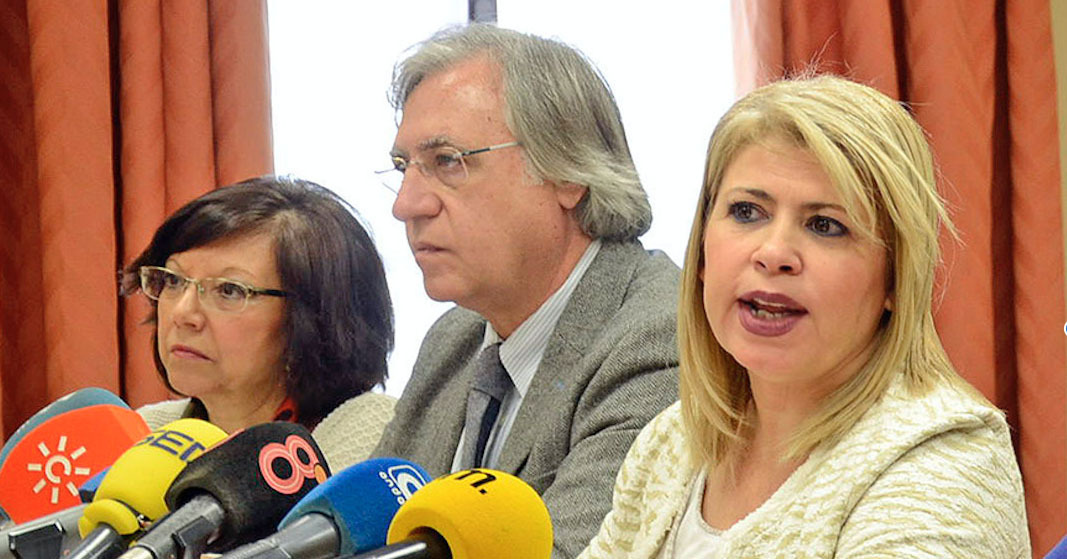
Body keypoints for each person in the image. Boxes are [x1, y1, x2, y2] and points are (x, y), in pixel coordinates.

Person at [579, 74, 1031, 558]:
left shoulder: (946, 463)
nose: (774, 253)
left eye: (825, 225)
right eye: (747, 212)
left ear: (896, 279)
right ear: (703, 251)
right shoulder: (674, 441)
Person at [371, 24, 680, 558]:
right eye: (403, 167)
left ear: (567, 172)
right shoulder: (455, 338)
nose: (407, 205)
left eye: (447, 161)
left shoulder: (656, 340)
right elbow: (372, 535)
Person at [123, 175, 396, 471]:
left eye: (229, 290)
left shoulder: (374, 436)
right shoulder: (145, 432)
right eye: (174, 281)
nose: (182, 314)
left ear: (313, 318)